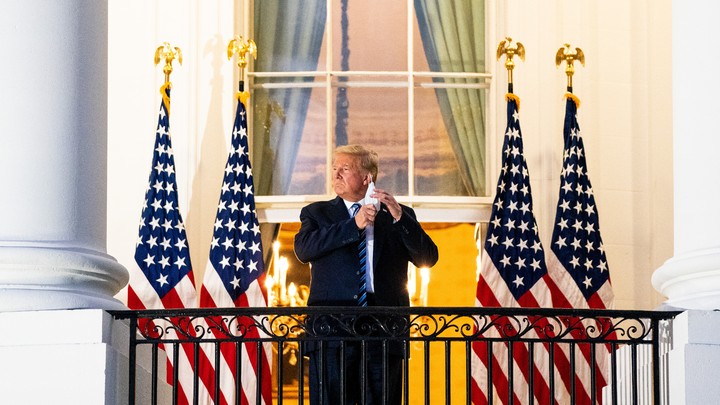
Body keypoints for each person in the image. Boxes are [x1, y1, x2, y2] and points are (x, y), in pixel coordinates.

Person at [294, 144, 439, 405]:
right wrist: (354, 225)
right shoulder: (317, 213)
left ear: (366, 178)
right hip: (332, 329)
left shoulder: (398, 215)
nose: (336, 174)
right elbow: (304, 250)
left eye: (345, 169)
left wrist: (401, 218)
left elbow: (428, 258)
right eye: (334, 168)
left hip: (384, 329)